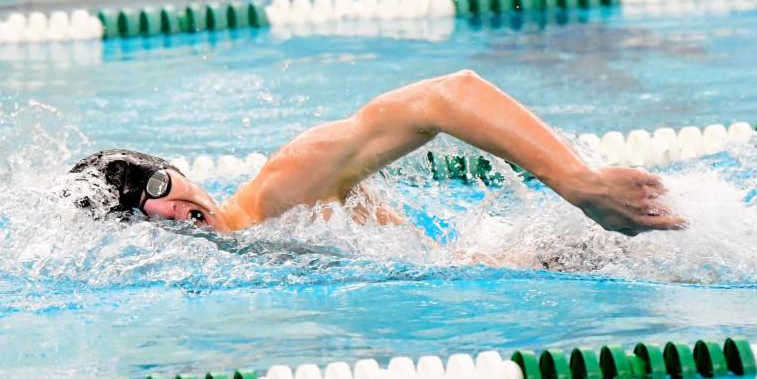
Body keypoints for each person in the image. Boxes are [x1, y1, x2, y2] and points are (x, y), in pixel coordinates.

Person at [69, 70, 684, 237]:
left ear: (176, 170)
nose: (167, 211)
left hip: (552, 256)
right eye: (138, 213)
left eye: (155, 187)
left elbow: (447, 96)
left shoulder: (284, 188)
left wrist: (581, 186)